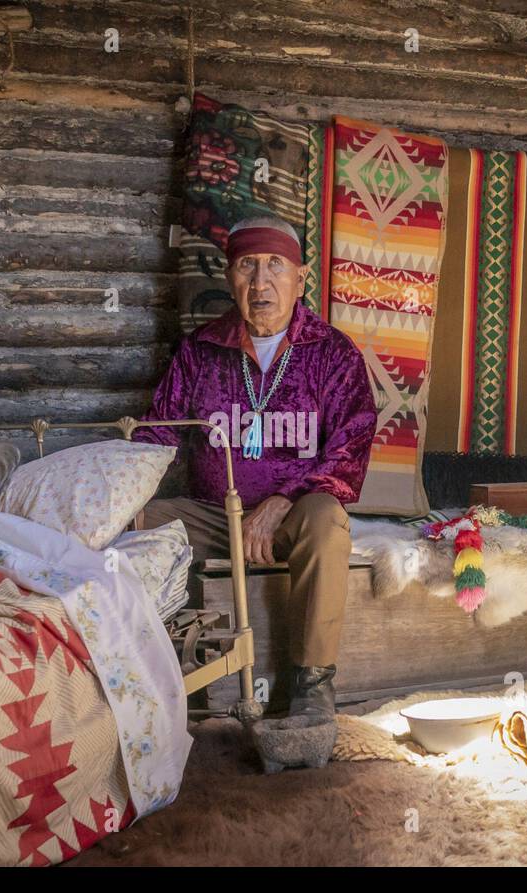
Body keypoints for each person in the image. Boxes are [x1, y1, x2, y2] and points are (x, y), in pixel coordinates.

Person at [135, 216, 377, 726]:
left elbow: (350, 448)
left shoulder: (332, 354)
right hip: (213, 514)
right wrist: (119, 492)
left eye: (275, 266)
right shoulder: (201, 351)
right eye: (247, 266)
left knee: (327, 522)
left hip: (293, 514)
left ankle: (312, 687)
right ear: (229, 278)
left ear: (300, 279)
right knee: (134, 524)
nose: (260, 282)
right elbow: (158, 434)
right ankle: (130, 673)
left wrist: (283, 501)